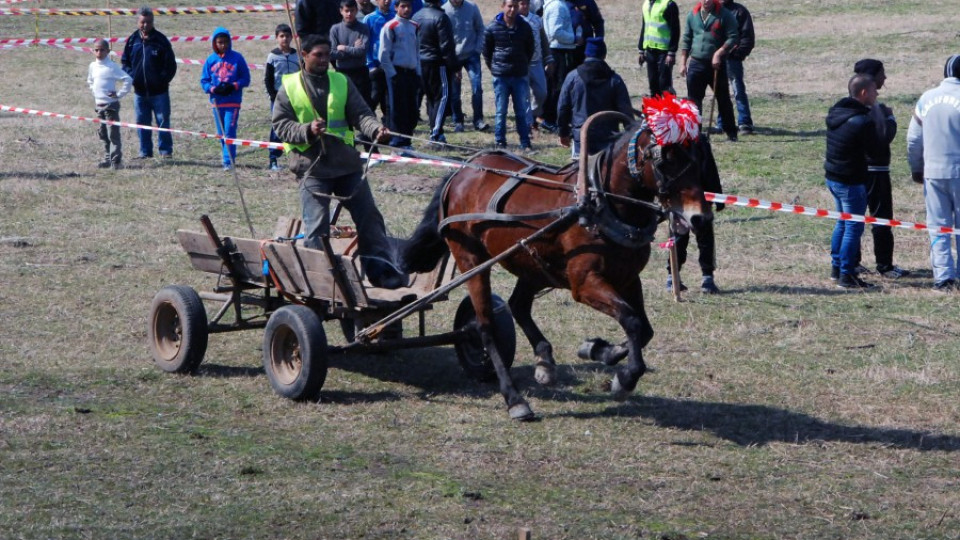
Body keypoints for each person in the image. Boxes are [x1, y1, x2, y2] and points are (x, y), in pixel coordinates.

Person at [271, 35, 406, 289]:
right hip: (312, 167)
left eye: (327, 55)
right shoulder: (290, 86)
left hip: (346, 166)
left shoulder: (341, 81)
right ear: (304, 54)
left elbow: (362, 114)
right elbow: (280, 125)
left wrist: (375, 129)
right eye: (318, 55)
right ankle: (317, 279)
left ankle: (378, 269)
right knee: (317, 224)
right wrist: (307, 130)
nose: (324, 60)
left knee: (369, 216)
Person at [907, 55, 960, 291]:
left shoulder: (927, 98)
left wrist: (917, 168)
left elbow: (913, 139)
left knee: (938, 226)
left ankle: (943, 277)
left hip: (933, 171)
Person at [853, 59, 909, 279]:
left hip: (856, 171)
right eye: (882, 74)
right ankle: (884, 265)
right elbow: (884, 137)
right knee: (882, 218)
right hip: (876, 171)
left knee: (853, 217)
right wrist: (891, 118)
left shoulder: (850, 105)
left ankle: (853, 262)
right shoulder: (875, 110)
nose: (885, 78)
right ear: (871, 77)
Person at [825, 74, 882, 289]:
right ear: (864, 92)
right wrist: (887, 122)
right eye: (875, 90)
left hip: (833, 178)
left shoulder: (837, 112)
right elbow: (876, 149)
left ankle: (836, 268)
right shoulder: (862, 121)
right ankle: (847, 275)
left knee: (842, 222)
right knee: (853, 227)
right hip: (851, 181)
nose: (877, 94)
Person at [556, 37, 633, 158]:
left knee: (578, 174)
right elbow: (626, 112)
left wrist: (563, 133)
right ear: (604, 55)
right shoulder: (615, 80)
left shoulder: (573, 77)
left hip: (581, 139)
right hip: (609, 140)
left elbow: (563, 108)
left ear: (586, 54)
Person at [678, 0, 739, 142]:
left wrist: (719, 53)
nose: (706, 1)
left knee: (723, 98)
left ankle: (731, 133)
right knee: (693, 101)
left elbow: (733, 37)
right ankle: (695, 135)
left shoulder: (724, 15)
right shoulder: (692, 15)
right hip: (696, 64)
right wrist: (683, 63)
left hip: (716, 65)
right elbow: (687, 39)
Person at [121, 6, 177, 159]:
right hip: (139, 92)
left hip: (160, 92)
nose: (145, 25)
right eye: (142, 22)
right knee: (142, 122)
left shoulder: (161, 40)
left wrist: (162, 80)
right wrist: (133, 77)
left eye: (149, 22)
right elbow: (125, 62)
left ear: (153, 22)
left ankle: (165, 151)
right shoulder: (132, 40)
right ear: (138, 22)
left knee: (162, 121)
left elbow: (171, 64)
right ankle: (145, 152)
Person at [483, 0, 535, 152]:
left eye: (515, 6)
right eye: (510, 6)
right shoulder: (492, 28)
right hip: (501, 75)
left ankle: (525, 143)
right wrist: (494, 68)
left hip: (519, 74)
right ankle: (500, 142)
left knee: (521, 110)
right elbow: (486, 51)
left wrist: (523, 64)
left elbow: (530, 49)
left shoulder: (525, 27)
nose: (512, 9)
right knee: (501, 111)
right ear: (503, 7)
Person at [200, 27, 251, 170]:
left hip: (233, 102)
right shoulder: (210, 60)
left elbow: (246, 78)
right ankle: (226, 156)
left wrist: (234, 85)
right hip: (217, 102)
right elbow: (204, 81)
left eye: (225, 42)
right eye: (219, 42)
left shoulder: (237, 58)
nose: (223, 45)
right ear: (214, 43)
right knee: (221, 133)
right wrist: (212, 88)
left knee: (229, 131)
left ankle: (228, 161)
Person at [413, 0, 457, 145]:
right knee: (442, 98)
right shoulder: (441, 17)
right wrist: (454, 67)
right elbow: (446, 46)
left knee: (432, 99)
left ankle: (436, 131)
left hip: (421, 62)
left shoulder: (417, 16)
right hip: (437, 63)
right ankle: (436, 133)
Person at [379, 0, 421, 149]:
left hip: (411, 73)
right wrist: (392, 74)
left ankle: (407, 141)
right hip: (397, 73)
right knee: (397, 108)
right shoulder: (391, 26)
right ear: (396, 8)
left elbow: (416, 51)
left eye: (408, 6)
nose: (406, 9)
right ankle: (396, 142)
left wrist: (418, 72)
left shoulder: (414, 26)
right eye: (403, 6)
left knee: (411, 109)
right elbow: (383, 54)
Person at [444, 0, 489, 132]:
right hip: (454, 57)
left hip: (472, 55)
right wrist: (450, 58)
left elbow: (481, 29)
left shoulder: (472, 7)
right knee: (455, 92)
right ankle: (458, 121)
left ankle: (478, 120)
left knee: (477, 87)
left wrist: (477, 49)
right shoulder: (444, 11)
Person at [87, 38, 132, 169]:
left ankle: (116, 161)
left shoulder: (112, 66)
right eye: (96, 50)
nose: (99, 52)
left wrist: (118, 95)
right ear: (93, 51)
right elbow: (90, 81)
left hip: (111, 106)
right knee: (103, 134)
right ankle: (107, 158)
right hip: (99, 105)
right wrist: (94, 92)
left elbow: (127, 79)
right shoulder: (92, 66)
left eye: (102, 50)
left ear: (108, 51)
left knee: (113, 134)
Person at [265, 24, 301, 171]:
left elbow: (302, 75)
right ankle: (273, 158)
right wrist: (273, 95)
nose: (284, 39)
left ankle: (297, 156)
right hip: (278, 97)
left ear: (292, 37)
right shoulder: (272, 56)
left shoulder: (297, 55)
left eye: (287, 36)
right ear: (276, 38)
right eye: (281, 36)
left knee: (295, 126)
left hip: (295, 96)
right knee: (277, 127)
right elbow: (268, 78)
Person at [716, 0, 754, 135]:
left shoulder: (740, 11)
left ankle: (744, 122)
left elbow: (748, 38)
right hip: (716, 59)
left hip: (732, 60)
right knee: (720, 91)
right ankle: (722, 123)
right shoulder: (713, 11)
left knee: (738, 89)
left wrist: (736, 54)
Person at [540, 0, 576, 133]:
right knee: (558, 87)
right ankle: (550, 119)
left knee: (555, 86)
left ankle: (550, 118)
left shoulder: (555, 5)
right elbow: (555, 32)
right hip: (558, 51)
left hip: (556, 50)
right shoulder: (558, 6)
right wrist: (574, 39)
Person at [519, 0, 554, 133]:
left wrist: (548, 59)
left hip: (536, 62)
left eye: (526, 4)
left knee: (542, 92)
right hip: (521, 64)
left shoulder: (537, 20)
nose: (524, 6)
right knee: (524, 95)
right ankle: (527, 124)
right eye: (522, 4)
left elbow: (543, 40)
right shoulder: (514, 20)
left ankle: (534, 115)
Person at [330, 0, 373, 108]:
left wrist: (344, 48)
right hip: (342, 72)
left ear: (356, 10)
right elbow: (332, 53)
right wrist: (353, 49)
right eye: (346, 11)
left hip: (360, 71)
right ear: (341, 11)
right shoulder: (335, 29)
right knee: (345, 105)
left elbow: (362, 51)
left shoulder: (363, 28)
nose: (349, 14)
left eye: (352, 10)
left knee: (364, 104)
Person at [637, 0, 680, 97]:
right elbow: (645, 27)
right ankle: (655, 110)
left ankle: (669, 109)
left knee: (664, 84)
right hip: (650, 50)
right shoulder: (646, 4)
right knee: (653, 84)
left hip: (664, 52)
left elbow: (675, 29)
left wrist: (672, 52)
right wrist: (641, 49)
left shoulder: (668, 4)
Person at [366, 0, 395, 124]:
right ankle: (366, 123)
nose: (387, 1)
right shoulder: (370, 19)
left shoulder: (395, 17)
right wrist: (371, 64)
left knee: (389, 98)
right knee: (374, 96)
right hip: (376, 66)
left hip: (391, 65)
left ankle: (388, 125)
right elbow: (366, 43)